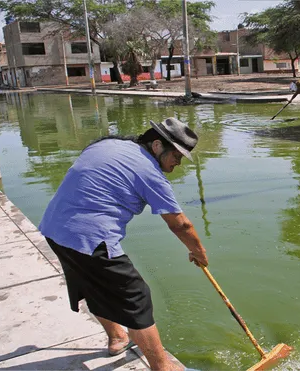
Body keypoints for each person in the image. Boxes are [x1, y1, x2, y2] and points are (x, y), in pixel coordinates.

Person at [38, 118, 208, 371]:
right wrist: (198, 251)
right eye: (176, 156)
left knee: (92, 284)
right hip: (90, 238)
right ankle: (163, 368)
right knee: (136, 297)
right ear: (158, 145)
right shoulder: (150, 172)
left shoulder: (107, 144)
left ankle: (117, 337)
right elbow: (180, 224)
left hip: (55, 229)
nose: (177, 164)